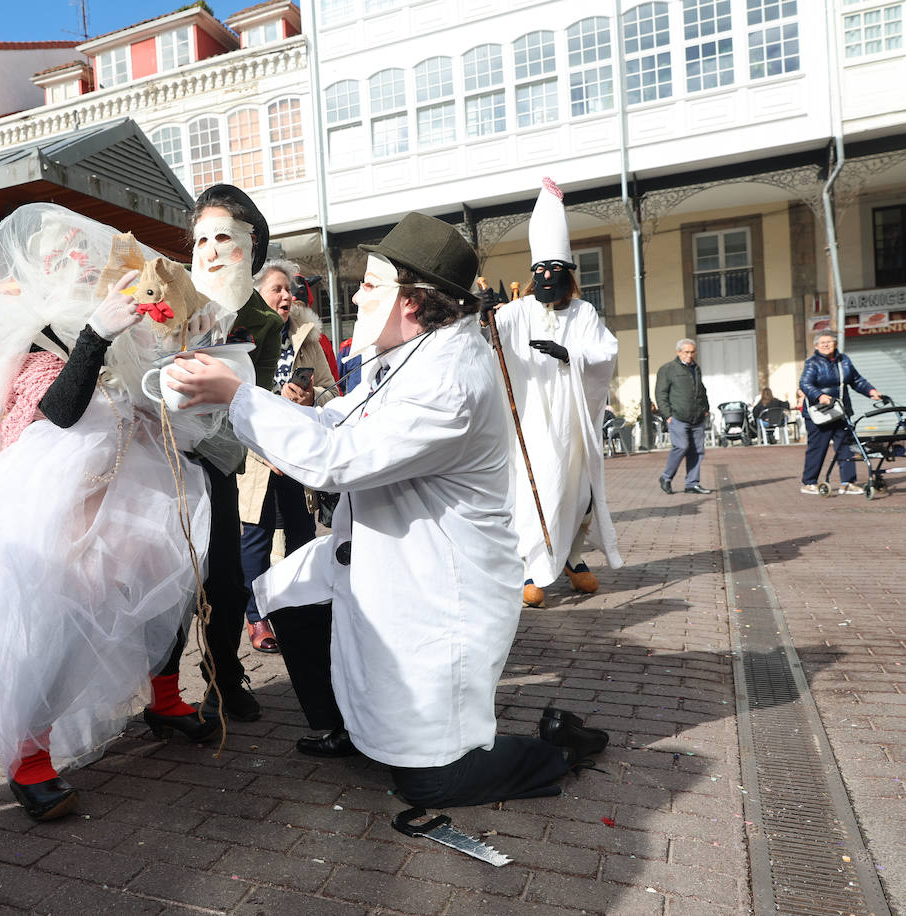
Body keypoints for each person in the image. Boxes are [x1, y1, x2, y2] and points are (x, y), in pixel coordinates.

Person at [165, 212, 609, 807]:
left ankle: (561, 749)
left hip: (438, 584)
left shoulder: (450, 376)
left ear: (415, 300)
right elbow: (336, 420)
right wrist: (250, 396)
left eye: (371, 284)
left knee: (430, 782)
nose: (356, 294)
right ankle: (344, 725)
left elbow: (336, 457)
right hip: (385, 550)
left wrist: (238, 396)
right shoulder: (406, 354)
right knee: (289, 590)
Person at [0, 204, 223, 822]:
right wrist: (94, 334)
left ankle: (165, 698)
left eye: (89, 260)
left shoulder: (127, 328)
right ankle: (30, 753)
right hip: (54, 499)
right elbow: (59, 411)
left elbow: (147, 399)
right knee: (57, 617)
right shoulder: (34, 335)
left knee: (166, 588)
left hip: (131, 485)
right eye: (70, 259)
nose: (84, 268)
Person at [485, 178, 622, 609]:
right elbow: (491, 334)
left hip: (571, 420)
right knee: (536, 487)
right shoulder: (521, 310)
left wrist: (570, 354)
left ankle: (572, 558)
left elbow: (606, 352)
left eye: (554, 271)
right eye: (539, 272)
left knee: (576, 491)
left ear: (568, 275)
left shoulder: (584, 312)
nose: (545, 278)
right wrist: (483, 310)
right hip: (530, 419)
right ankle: (530, 566)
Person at [187, 185, 285, 724]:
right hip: (161, 458)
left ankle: (223, 676)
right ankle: (161, 689)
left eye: (224, 236)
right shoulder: (170, 299)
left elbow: (253, 399)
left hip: (219, 460)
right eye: (200, 239)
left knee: (224, 576)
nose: (211, 250)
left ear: (252, 246)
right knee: (167, 574)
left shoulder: (264, 322)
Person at [237, 259, 337, 653]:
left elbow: (332, 389)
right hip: (257, 454)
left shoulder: (307, 336)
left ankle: (296, 605)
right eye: (278, 288)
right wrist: (275, 402)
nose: (287, 296)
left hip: (298, 453)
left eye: (290, 289)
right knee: (256, 539)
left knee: (302, 533)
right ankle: (255, 616)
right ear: (257, 292)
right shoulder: (242, 334)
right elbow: (233, 398)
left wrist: (313, 398)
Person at [799, 332, 882, 495]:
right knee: (817, 448)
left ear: (835, 344)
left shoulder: (844, 360)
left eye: (829, 342)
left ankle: (848, 482)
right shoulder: (812, 363)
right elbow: (805, 384)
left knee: (846, 447)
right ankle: (809, 482)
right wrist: (820, 396)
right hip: (819, 413)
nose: (826, 345)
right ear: (816, 346)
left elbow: (857, 380)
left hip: (841, 411)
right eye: (822, 342)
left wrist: (871, 391)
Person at [655, 339, 713, 495]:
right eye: (686, 352)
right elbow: (661, 394)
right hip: (678, 417)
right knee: (681, 446)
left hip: (697, 417)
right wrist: (667, 415)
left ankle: (692, 484)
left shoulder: (696, 368)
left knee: (697, 450)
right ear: (678, 352)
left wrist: (706, 408)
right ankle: (666, 478)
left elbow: (701, 389)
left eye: (692, 352)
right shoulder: (668, 369)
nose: (690, 355)